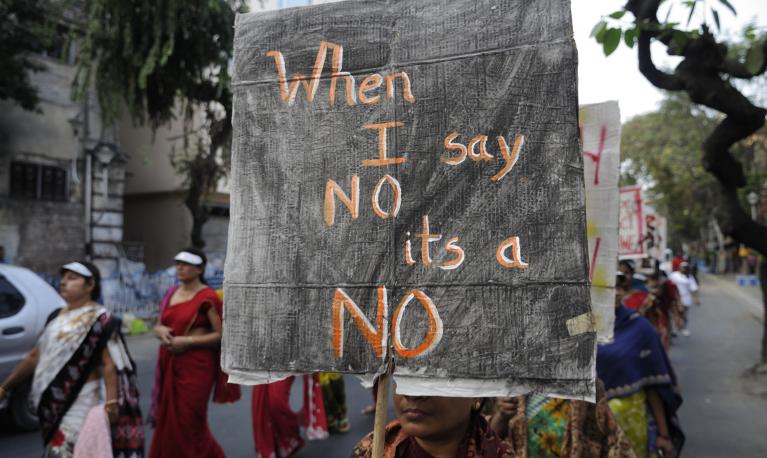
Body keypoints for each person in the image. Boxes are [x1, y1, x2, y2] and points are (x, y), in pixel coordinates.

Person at [0, 261, 144, 457]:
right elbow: (34, 356)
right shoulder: (56, 317)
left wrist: (111, 405)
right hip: (51, 402)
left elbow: (110, 363)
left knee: (65, 451)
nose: (63, 282)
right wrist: (5, 387)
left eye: (72, 278)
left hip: (81, 401)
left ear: (90, 285)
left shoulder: (100, 320)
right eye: (64, 277)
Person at [148, 248, 241, 458]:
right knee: (170, 419)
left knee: (190, 419)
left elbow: (222, 334)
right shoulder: (171, 293)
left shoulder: (208, 297)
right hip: (170, 361)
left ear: (199, 269)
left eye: (186, 263)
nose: (179, 267)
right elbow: (158, 324)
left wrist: (187, 341)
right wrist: (160, 330)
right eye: (177, 263)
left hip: (197, 366)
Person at [597, 274, 684, 458]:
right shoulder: (575, 328)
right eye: (609, 287)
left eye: (619, 287)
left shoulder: (639, 327)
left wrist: (663, 434)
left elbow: (653, 385)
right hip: (589, 425)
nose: (617, 293)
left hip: (631, 423)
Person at [489, 383, 636, 457]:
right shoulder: (506, 388)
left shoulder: (585, 389)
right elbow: (482, 441)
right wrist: (502, 416)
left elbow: (614, 443)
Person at [351, 394, 512, 457]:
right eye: (404, 376)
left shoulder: (500, 454)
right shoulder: (372, 451)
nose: (413, 394)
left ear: (476, 396)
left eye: (435, 379)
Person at [251, 374, 329, 457]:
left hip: (285, 365)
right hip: (263, 366)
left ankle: (291, 434)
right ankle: (276, 445)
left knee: (276, 402)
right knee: (263, 405)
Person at [667, 259, 698, 337]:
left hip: (686, 299)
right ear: (679, 268)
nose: (684, 269)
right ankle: (674, 330)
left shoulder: (690, 277)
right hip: (675, 298)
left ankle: (684, 328)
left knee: (683, 314)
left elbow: (694, 289)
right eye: (683, 267)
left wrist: (696, 299)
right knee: (675, 314)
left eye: (686, 267)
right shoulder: (674, 275)